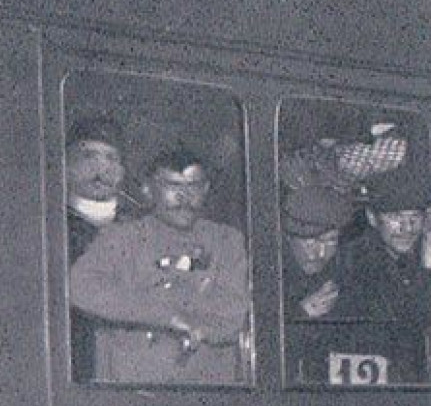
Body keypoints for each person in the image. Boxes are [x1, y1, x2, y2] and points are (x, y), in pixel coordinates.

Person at [68, 145, 251, 384]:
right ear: (148, 189)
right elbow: (80, 289)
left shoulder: (227, 241)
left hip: (207, 393)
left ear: (206, 189)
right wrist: (167, 316)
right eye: (172, 186)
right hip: (130, 392)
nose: (184, 197)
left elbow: (234, 311)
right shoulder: (119, 238)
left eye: (193, 186)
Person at [331, 164, 431, 385]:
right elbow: (414, 319)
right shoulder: (356, 259)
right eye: (396, 217)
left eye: (414, 218)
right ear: (373, 219)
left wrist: (430, 243)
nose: (406, 228)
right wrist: (429, 252)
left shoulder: (419, 255)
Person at [65, 115, 131, 382]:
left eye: (111, 158)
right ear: (66, 163)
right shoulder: (47, 226)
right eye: (89, 156)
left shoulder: (144, 228)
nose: (101, 167)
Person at [280, 184, 356, 384]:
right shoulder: (270, 277)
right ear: (289, 237)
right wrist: (301, 315)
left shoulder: (347, 274)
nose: (320, 253)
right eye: (311, 242)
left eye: (330, 241)